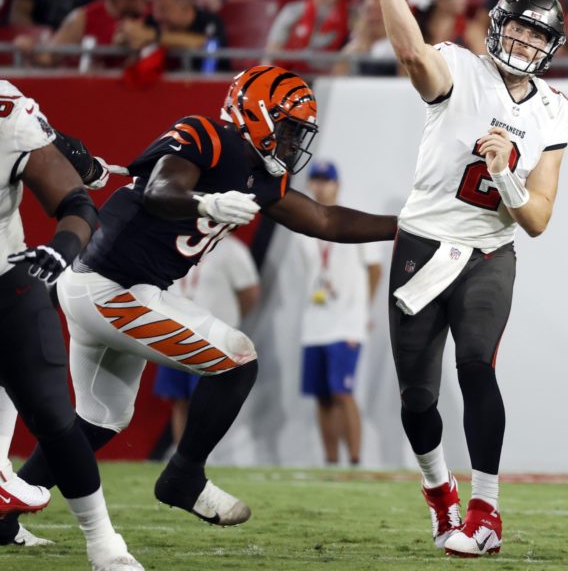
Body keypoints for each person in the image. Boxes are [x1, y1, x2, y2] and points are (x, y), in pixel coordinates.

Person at [7, 65, 397, 532]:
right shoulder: (207, 135)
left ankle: (6, 513)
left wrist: (404, 227)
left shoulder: (259, 175)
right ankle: (184, 476)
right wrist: (205, 202)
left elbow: (325, 220)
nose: (294, 143)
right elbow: (160, 190)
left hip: (111, 288)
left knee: (100, 421)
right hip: (110, 289)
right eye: (290, 129)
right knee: (237, 359)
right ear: (258, 115)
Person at [357, 0, 568, 557]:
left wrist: (505, 175)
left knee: (478, 366)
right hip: (424, 244)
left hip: (488, 252)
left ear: (552, 46)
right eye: (518, 27)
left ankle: (486, 510)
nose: (525, 41)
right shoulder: (458, 67)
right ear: (497, 25)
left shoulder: (557, 110)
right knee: (417, 395)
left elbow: (537, 219)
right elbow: (410, 53)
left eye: (538, 34)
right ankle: (439, 492)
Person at [0, 82, 142, 570]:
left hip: (6, 284)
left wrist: (62, 248)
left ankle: (104, 545)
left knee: (53, 416)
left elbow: (77, 204)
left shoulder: (8, 116)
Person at [298, 160, 382, 466]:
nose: (320, 186)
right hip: (314, 322)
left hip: (347, 321)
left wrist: (363, 309)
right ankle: (330, 461)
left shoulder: (352, 219)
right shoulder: (302, 226)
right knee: (321, 395)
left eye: (326, 180)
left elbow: (374, 268)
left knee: (343, 392)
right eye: (316, 180)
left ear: (338, 185)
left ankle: (355, 460)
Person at [153, 233, 261, 446]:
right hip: (175, 335)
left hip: (213, 341)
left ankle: (203, 456)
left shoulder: (230, 249)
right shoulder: (176, 244)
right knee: (179, 400)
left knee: (207, 401)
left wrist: (227, 325)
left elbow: (250, 293)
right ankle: (180, 456)